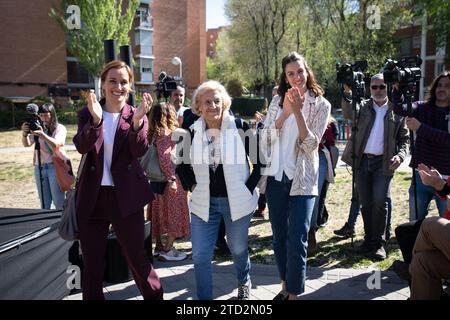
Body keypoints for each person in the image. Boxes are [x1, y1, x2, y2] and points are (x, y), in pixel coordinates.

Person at [73, 60, 163, 300]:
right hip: (92, 199)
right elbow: (81, 146)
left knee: (137, 259)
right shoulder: (87, 112)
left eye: (124, 82)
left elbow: (139, 150)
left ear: (130, 86)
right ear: (102, 84)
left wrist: (137, 123)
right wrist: (95, 120)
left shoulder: (136, 115)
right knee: (92, 266)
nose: (118, 87)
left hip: (126, 198)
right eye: (112, 81)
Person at [176, 80, 261, 300]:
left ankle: (244, 282)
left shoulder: (240, 126)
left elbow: (260, 163)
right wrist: (192, 186)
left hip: (237, 203)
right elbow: (181, 165)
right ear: (198, 106)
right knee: (200, 255)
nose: (213, 105)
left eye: (217, 100)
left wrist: (246, 189)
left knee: (237, 248)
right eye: (207, 102)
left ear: (224, 102)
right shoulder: (190, 132)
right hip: (204, 204)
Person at [260, 52, 331, 300]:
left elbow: (311, 145)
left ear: (307, 70)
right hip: (276, 178)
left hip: (303, 180)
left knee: (298, 238)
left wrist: (299, 112)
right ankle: (284, 285)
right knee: (279, 237)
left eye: (300, 71)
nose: (297, 77)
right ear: (285, 76)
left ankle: (294, 294)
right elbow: (265, 139)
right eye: (291, 73)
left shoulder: (321, 104)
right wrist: (286, 112)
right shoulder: (277, 101)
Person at [341, 74, 409, 261]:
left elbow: (405, 139)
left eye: (382, 87)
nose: (378, 90)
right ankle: (368, 240)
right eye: (374, 87)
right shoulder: (363, 106)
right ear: (369, 88)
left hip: (383, 163)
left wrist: (400, 155)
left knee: (380, 201)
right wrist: (347, 92)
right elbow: (347, 113)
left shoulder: (397, 110)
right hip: (362, 161)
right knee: (366, 202)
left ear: (388, 88)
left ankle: (379, 243)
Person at [392, 71, 450, 221]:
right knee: (415, 221)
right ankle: (416, 245)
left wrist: (420, 128)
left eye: (447, 86)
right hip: (421, 175)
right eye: (439, 85)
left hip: (446, 179)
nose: (442, 88)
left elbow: (447, 139)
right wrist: (398, 90)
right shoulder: (422, 107)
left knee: (447, 223)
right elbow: (399, 109)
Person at [146, 102, 190, 261]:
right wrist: (171, 178)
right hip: (170, 180)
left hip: (155, 181)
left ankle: (158, 247)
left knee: (157, 214)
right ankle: (168, 249)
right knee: (174, 215)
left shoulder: (152, 133)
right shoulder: (167, 133)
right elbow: (166, 158)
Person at [21, 103, 66, 209]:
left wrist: (43, 135)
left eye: (46, 115)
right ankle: (46, 224)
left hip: (54, 167)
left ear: (52, 115)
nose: (43, 118)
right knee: (44, 203)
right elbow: (27, 144)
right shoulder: (37, 126)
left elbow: (57, 145)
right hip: (39, 168)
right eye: (40, 115)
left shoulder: (59, 128)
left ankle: (62, 224)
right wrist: (24, 133)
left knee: (58, 201)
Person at [308, 117, 339, 251]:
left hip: (319, 154)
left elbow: (331, 141)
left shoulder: (324, 110)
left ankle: (311, 232)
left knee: (314, 197)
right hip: (296, 153)